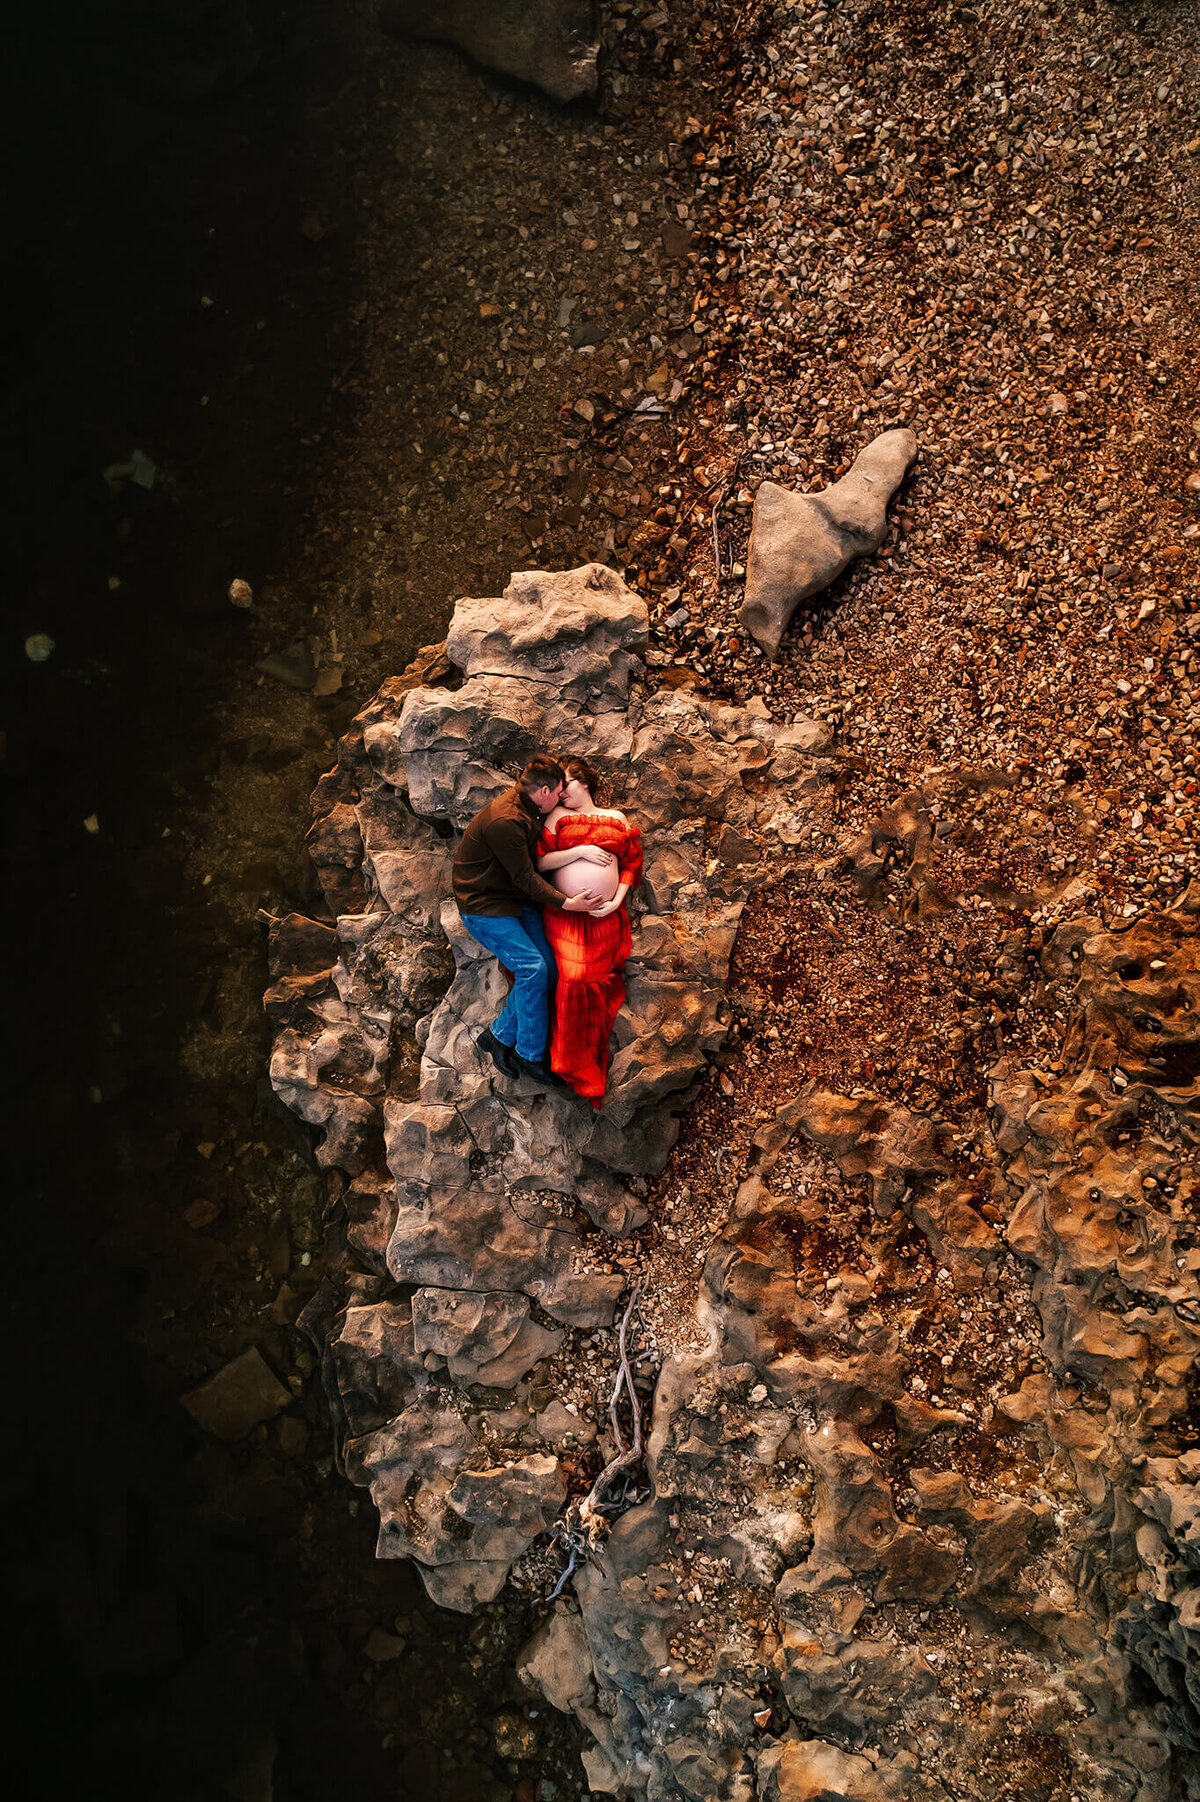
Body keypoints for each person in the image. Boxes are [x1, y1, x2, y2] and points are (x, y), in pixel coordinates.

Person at [453, 754, 600, 1091]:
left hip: (514, 902)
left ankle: (499, 1036)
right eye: (559, 791)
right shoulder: (506, 821)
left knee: (548, 967)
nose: (562, 796)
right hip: (485, 906)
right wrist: (568, 903)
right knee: (533, 969)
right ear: (544, 791)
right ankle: (530, 1055)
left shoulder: (532, 806)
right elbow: (526, 879)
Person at [535, 756, 643, 1107]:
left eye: (565, 783)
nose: (560, 792)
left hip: (604, 916)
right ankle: (567, 1063)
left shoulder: (616, 819)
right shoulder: (557, 818)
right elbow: (541, 862)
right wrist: (580, 850)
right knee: (573, 979)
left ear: (584, 782)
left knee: (594, 984)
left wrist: (616, 902)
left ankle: (588, 1060)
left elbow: (630, 864)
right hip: (566, 914)